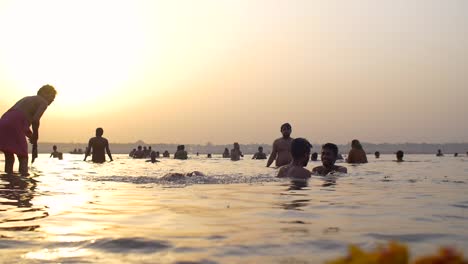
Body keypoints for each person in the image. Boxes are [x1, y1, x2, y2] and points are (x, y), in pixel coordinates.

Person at [0, 85, 57, 175]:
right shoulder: (43, 102)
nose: (53, 100)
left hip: (3, 122)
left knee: (9, 156)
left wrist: (31, 136)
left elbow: (21, 121)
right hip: (15, 123)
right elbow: (35, 120)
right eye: (52, 96)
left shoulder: (26, 99)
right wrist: (36, 135)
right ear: (43, 93)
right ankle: (23, 182)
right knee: (23, 156)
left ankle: (8, 180)